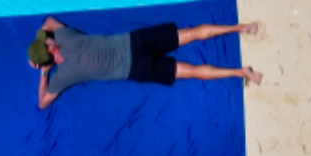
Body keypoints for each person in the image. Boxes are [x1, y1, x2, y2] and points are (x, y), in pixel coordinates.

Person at [28, 16, 260, 109]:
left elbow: (43, 102)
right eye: (45, 41)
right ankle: (240, 28)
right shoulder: (66, 37)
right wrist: (46, 41)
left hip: (136, 68)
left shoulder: (64, 75)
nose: (46, 37)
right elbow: (48, 21)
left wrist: (44, 72)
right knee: (190, 34)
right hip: (136, 41)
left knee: (190, 71)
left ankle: (240, 72)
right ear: (50, 46)